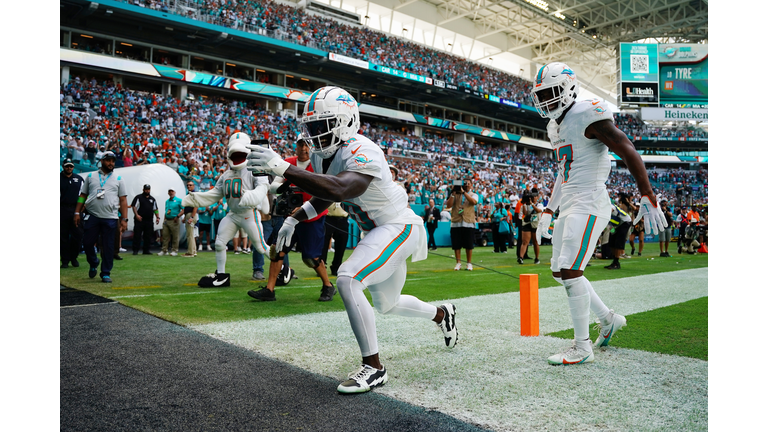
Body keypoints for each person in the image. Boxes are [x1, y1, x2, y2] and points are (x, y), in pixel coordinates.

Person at [245, 86, 458, 394]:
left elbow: (341, 188)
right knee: (389, 304)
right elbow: (322, 194)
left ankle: (374, 368)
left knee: (347, 278)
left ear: (346, 122)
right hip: (378, 231)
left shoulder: (361, 148)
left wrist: (283, 168)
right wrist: (294, 217)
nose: (316, 133)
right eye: (312, 126)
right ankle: (443, 314)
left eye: (323, 125)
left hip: (398, 225)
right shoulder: (323, 155)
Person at [532, 62, 666, 365]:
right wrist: (549, 208)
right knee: (559, 271)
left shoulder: (587, 113)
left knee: (570, 270)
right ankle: (608, 319)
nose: (546, 101)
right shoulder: (554, 126)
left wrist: (647, 192)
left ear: (568, 88)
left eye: (551, 93)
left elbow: (626, 147)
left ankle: (582, 347)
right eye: (540, 95)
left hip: (590, 201)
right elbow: (562, 171)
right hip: (570, 201)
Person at [247, 138, 335, 302]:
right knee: (277, 250)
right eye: (300, 145)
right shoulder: (288, 162)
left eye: (306, 145)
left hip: (312, 217)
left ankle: (328, 285)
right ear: (296, 146)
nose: (303, 148)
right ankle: (269, 289)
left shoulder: (318, 164)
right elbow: (276, 185)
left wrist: (303, 209)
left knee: (311, 257)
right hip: (289, 217)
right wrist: (278, 189)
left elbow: (322, 193)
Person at [182, 131, 270, 287]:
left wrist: (250, 197)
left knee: (261, 247)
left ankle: (283, 268)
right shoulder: (226, 175)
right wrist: (195, 198)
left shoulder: (254, 170)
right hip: (233, 214)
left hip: (249, 214)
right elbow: (214, 194)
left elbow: (262, 189)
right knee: (219, 243)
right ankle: (221, 275)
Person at [73, 151, 128, 283]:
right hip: (93, 216)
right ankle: (93, 262)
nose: (111, 163)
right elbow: (83, 195)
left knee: (108, 246)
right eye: (108, 160)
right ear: (102, 161)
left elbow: (123, 200)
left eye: (113, 161)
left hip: (111, 217)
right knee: (87, 243)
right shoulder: (91, 176)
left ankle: (105, 273)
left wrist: (124, 219)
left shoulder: (119, 179)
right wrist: (76, 212)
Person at [445, 178, 478, 271]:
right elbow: (448, 205)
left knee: (469, 245)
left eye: (468, 183)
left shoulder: (474, 194)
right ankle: (458, 263)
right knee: (456, 244)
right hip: (456, 221)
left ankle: (469, 263)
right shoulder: (455, 195)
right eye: (465, 183)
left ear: (471, 185)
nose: (466, 185)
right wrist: (452, 194)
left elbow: (473, 202)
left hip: (468, 222)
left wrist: (464, 193)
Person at [60, 158, 84, 268]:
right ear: (63, 166)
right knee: (62, 236)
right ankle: (65, 260)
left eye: (71, 166)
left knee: (77, 235)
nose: (69, 168)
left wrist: (79, 211)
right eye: (67, 166)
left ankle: (74, 257)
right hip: (62, 209)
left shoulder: (79, 179)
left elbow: (83, 196)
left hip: (76, 210)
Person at [130, 184, 160, 255]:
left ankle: (146, 250)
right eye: (146, 189)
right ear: (143, 190)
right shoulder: (138, 197)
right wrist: (136, 215)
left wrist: (157, 217)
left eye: (148, 189)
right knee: (137, 235)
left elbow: (155, 209)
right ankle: (135, 250)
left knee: (148, 235)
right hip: (140, 220)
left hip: (149, 220)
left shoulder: (152, 199)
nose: (147, 191)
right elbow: (134, 206)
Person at [322, 202, 350, 276]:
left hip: (343, 219)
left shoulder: (346, 192)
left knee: (341, 244)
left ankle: (336, 267)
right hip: (328, 218)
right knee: (323, 243)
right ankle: (322, 266)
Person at [604, 202, 632, 270]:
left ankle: (616, 262)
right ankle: (614, 261)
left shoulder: (610, 206)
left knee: (618, 242)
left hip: (625, 222)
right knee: (611, 242)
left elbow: (608, 213)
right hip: (615, 225)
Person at [158, 188, 184, 257]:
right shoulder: (167, 201)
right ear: (168, 193)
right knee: (165, 236)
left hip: (174, 220)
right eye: (169, 191)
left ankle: (174, 250)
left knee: (175, 236)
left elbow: (183, 210)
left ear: (175, 192)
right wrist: (164, 220)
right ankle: (164, 250)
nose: (171, 193)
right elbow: (166, 211)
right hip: (167, 219)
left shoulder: (179, 200)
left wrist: (178, 216)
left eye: (172, 191)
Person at [182, 181, 198, 257]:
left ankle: (190, 252)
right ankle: (193, 251)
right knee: (191, 234)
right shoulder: (189, 194)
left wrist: (191, 217)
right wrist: (185, 217)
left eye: (190, 185)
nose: (188, 186)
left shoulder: (194, 194)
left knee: (190, 234)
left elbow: (196, 206)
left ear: (193, 186)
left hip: (191, 215)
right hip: (189, 214)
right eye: (187, 185)